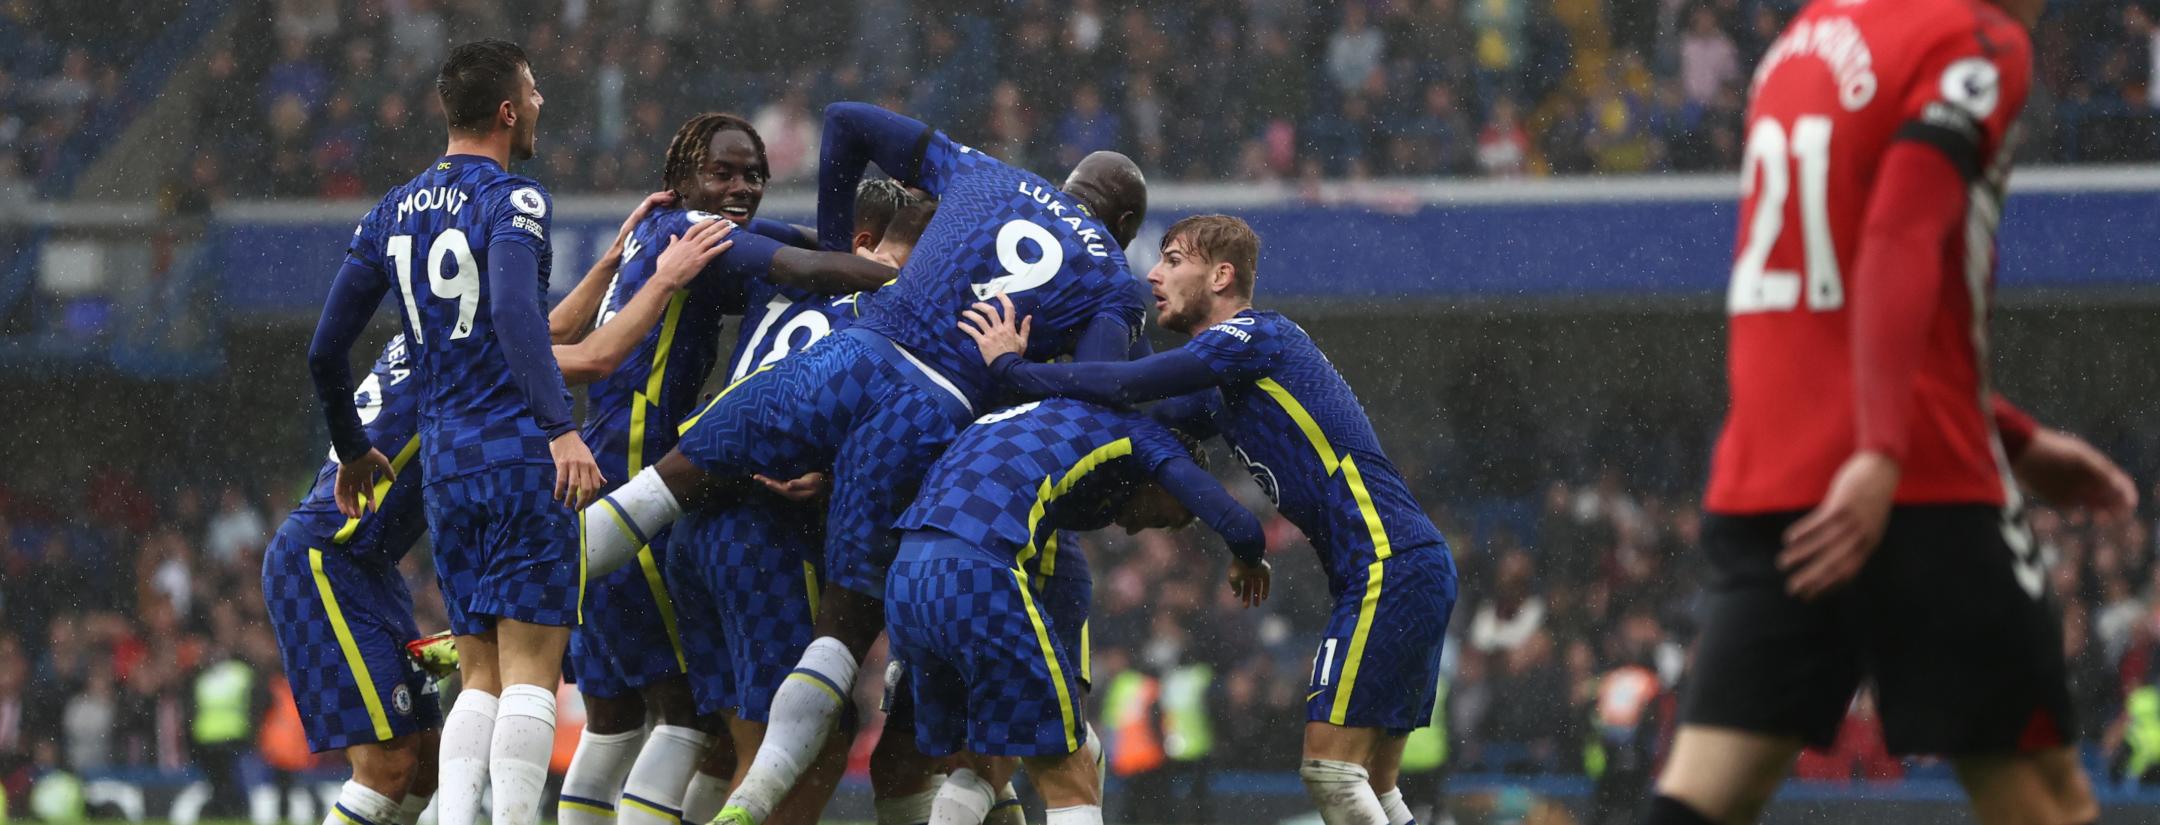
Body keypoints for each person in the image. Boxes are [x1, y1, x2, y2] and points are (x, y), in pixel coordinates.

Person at [1637, 0, 2141, 822]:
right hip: (1918, 482)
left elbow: (1829, 304)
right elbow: (1899, 238)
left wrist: (2013, 437)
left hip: (1777, 482)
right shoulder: (1972, 39)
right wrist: (1879, 449)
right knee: (2042, 796)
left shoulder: (1799, 46)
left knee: (1707, 792)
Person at [580, 101, 1149, 825]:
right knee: (859, 674)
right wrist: (1015, 367)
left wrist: (832, 245)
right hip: (929, 452)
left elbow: (845, 121)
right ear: (1125, 226)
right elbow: (1093, 398)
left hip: (839, 372)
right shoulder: (1113, 281)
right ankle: (752, 805)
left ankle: (534, 584)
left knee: (666, 514)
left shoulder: (983, 178)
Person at [961, 215, 1459, 825]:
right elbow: (1132, 411)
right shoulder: (1222, 386)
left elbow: (1127, 381)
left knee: (1333, 772)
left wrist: (1012, 369)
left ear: (1221, 276)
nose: (1155, 274)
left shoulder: (1254, 335)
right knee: (1377, 788)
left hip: (1388, 562)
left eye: (1172, 260)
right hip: (1400, 564)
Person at [548, 111, 892, 825]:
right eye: (723, 173)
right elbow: (802, 266)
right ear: (682, 178)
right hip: (641, 482)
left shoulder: (662, 226)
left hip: (612, 478)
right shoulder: (694, 230)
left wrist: (849, 249)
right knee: (687, 718)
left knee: (619, 719)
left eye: (754, 175)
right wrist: (902, 280)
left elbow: (799, 244)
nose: (741, 187)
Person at [303, 39, 589, 825]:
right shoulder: (514, 199)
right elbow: (515, 313)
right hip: (517, 452)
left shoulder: (391, 209)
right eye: (533, 92)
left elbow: (325, 349)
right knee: (531, 667)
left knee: (480, 673)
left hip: (446, 467)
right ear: (507, 111)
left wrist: (352, 446)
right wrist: (559, 427)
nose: (541, 104)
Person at [887, 397, 1271, 825]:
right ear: (1166, 481)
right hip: (977, 574)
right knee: (1072, 769)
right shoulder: (1133, 438)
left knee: (969, 763)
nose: (1134, 529)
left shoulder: (1042, 426)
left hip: (905, 574)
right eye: (1160, 518)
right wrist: (1248, 553)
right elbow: (1238, 514)